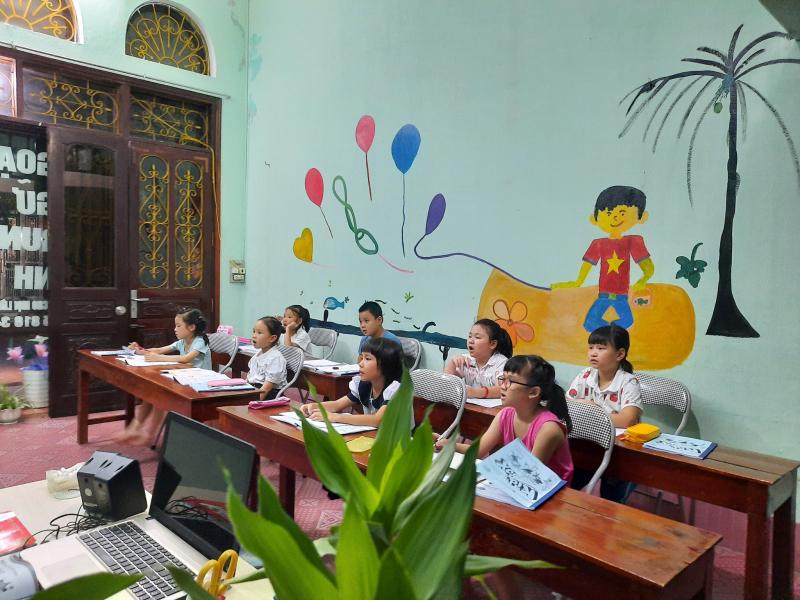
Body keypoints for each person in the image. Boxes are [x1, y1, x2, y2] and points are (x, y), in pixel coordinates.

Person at [438, 355, 573, 483]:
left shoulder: (548, 429)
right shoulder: (505, 415)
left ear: (533, 392)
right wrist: (447, 444)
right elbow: (478, 451)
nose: (502, 386)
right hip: (518, 482)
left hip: (551, 492)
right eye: (503, 379)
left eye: (511, 381)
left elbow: (530, 474)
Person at [552, 185, 654, 332]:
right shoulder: (598, 244)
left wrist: (643, 280)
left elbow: (648, 268)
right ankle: (609, 337)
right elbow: (586, 267)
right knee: (590, 323)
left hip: (622, 296)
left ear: (641, 217)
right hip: (603, 295)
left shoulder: (633, 241)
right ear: (594, 219)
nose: (615, 217)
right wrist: (576, 282)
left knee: (627, 321)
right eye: (609, 213)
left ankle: (611, 337)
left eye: (622, 213)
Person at [114, 308, 210, 445]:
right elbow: (158, 350)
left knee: (160, 395)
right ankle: (135, 428)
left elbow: (186, 359)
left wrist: (159, 357)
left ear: (191, 327)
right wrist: (139, 350)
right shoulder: (182, 342)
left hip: (201, 383)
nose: (175, 329)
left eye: (178, 326)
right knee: (151, 392)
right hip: (185, 378)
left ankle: (149, 434)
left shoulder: (200, 341)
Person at [568, 324, 642, 501]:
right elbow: (567, 406)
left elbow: (628, 420)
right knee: (568, 482)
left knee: (610, 499)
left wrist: (592, 411)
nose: (593, 353)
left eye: (601, 348)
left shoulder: (628, 382)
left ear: (620, 354)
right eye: (591, 347)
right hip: (587, 444)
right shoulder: (585, 375)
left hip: (619, 451)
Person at [301, 338, 403, 427]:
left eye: (367, 359)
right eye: (361, 358)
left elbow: (378, 420)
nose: (360, 364)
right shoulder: (365, 385)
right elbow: (337, 404)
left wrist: (336, 417)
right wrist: (313, 407)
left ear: (386, 364)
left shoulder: (395, 389)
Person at [444, 319, 512, 399]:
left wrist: (475, 392)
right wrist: (452, 362)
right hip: (469, 405)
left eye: (477, 337)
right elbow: (445, 384)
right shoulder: (466, 360)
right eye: (470, 336)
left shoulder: (501, 363)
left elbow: (503, 389)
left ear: (492, 344)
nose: (470, 341)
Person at [247, 316, 288, 400]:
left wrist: (255, 402)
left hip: (267, 395)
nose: (254, 336)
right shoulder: (257, 355)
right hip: (254, 389)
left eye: (259, 333)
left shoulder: (276, 358)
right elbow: (249, 378)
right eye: (254, 331)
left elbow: (267, 388)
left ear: (272, 338)